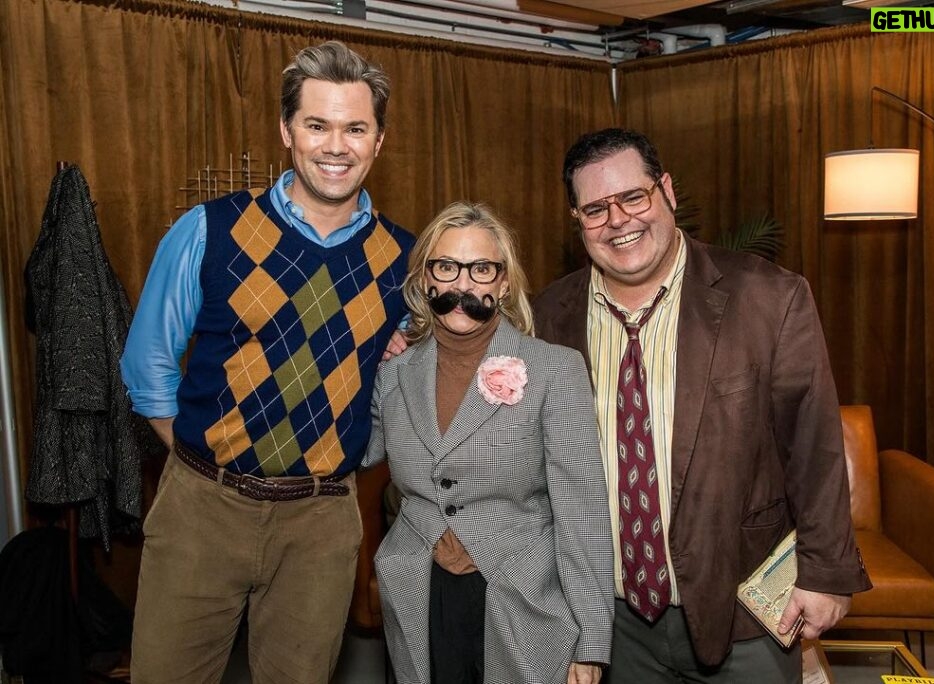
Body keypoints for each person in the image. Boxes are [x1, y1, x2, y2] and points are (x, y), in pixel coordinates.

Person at [120, 41, 415, 683]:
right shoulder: (210, 228)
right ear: (287, 131)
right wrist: (208, 465)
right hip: (204, 509)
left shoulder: (403, 260)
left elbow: (408, 370)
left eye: (355, 127)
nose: (335, 145)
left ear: (379, 140)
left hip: (320, 521)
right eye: (317, 125)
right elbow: (148, 368)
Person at [531, 128, 872, 683]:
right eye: (595, 209)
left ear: (665, 190)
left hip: (743, 607)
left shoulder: (769, 298)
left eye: (633, 197)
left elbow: (814, 446)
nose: (618, 220)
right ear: (577, 219)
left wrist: (827, 572)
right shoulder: (549, 315)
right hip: (613, 620)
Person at [365, 201, 614, 684]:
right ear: (424, 280)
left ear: (503, 283)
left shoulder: (554, 369)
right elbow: (356, 454)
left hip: (521, 602)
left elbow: (582, 513)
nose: (462, 285)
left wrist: (592, 640)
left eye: (481, 269)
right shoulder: (394, 375)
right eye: (446, 267)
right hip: (419, 595)